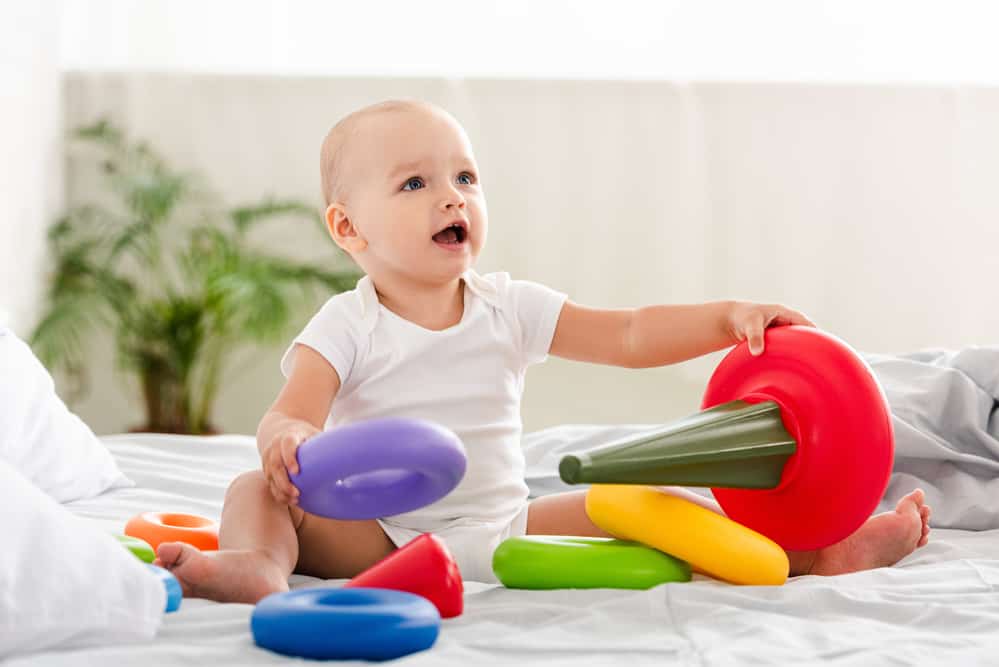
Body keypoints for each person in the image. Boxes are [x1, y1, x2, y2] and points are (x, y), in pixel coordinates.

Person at [154, 99, 931, 602]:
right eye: (415, 184)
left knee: (671, 513)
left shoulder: (507, 306)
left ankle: (821, 553)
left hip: (506, 520)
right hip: (377, 532)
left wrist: (726, 316)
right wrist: (286, 442)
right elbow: (290, 414)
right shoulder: (346, 323)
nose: (452, 195)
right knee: (253, 488)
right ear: (347, 229)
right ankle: (257, 564)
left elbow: (626, 334)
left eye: (464, 176)